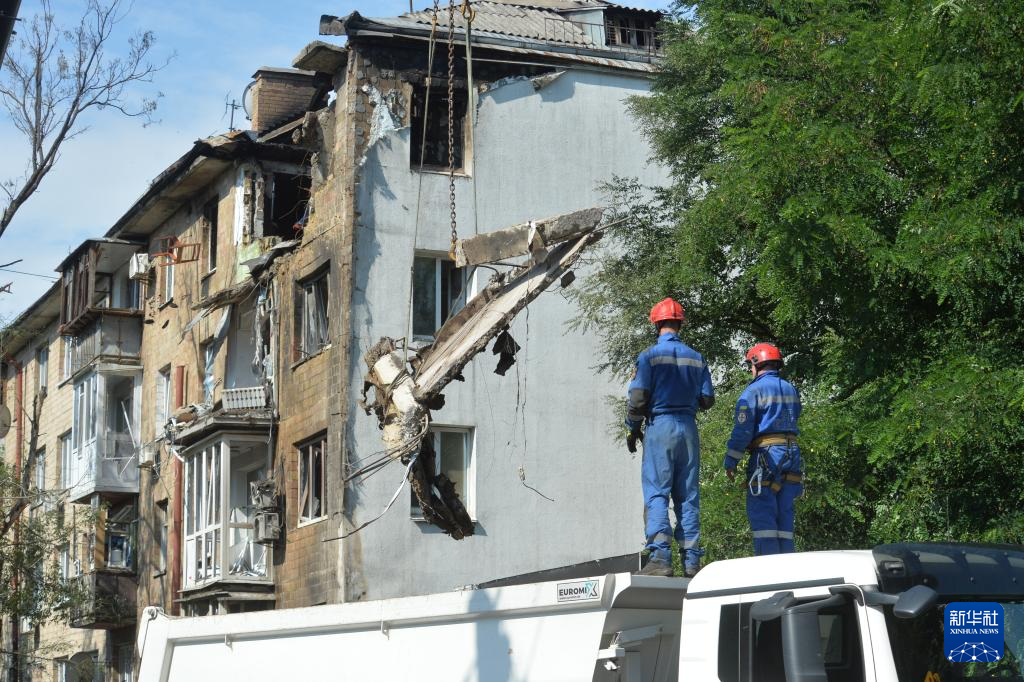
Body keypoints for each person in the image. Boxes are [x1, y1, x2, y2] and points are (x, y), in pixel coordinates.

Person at [626, 297, 714, 577]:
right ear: (679, 324)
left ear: (656, 323)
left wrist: (632, 426)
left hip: (660, 427)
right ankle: (691, 561)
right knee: (688, 495)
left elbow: (638, 399)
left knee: (657, 493)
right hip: (688, 428)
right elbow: (707, 399)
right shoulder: (697, 358)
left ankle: (661, 559)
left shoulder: (649, 356)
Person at [723, 343, 803, 555]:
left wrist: (731, 460)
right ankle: (787, 564)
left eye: (751, 365)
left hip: (766, 457)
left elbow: (742, 431)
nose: (751, 369)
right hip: (792, 455)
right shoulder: (791, 389)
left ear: (758, 363)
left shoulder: (753, 391)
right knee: (785, 516)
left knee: (763, 516)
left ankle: (768, 568)